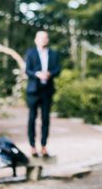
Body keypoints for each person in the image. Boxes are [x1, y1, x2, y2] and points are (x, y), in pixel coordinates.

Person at [25, 30, 61, 158]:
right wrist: (37, 74)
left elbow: (58, 69)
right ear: (36, 40)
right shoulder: (30, 53)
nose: (44, 40)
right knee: (32, 119)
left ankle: (44, 146)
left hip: (47, 90)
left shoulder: (54, 53)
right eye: (41, 38)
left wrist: (50, 74)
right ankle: (32, 146)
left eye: (46, 38)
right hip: (33, 91)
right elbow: (27, 70)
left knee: (45, 119)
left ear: (48, 40)